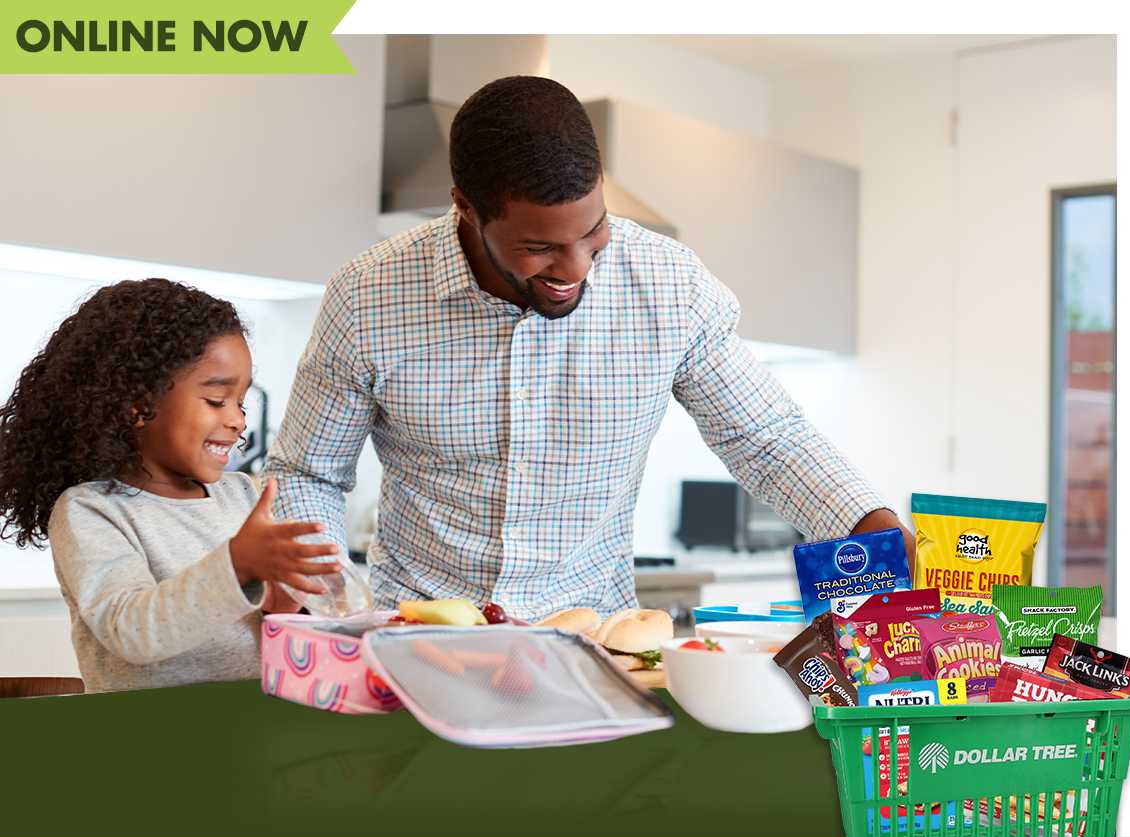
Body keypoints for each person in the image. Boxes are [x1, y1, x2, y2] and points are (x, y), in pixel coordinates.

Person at [264, 76, 915, 621]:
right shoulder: (367, 296)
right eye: (541, 246)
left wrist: (869, 523)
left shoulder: (669, 287)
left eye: (594, 230)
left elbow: (768, 438)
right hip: (418, 640)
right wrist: (329, 607)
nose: (577, 266)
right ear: (465, 206)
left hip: (594, 644)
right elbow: (307, 474)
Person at [0, 278, 341, 692]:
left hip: (249, 724)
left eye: (241, 402)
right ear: (138, 402)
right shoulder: (91, 510)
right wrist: (237, 565)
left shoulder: (241, 494)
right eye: (217, 400)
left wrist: (290, 610)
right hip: (149, 737)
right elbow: (131, 630)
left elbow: (269, 635)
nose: (237, 420)